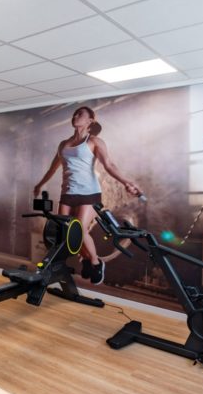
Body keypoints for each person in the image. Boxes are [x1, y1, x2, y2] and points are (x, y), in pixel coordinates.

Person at [33, 106, 141, 284]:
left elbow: (109, 165)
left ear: (90, 121)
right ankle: (86, 259)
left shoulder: (95, 142)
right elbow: (53, 168)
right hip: (67, 193)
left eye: (80, 114)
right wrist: (39, 184)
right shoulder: (63, 144)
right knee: (66, 234)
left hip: (89, 193)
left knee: (80, 231)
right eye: (75, 114)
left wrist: (126, 182)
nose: (75, 116)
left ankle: (95, 262)